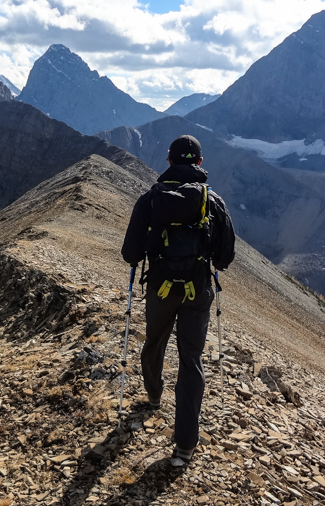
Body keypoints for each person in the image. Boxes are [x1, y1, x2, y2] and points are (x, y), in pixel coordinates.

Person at [121, 134, 235, 466]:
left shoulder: (150, 199)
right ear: (199, 164)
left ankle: (154, 394)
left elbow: (130, 253)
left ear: (169, 161)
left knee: (154, 341)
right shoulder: (213, 201)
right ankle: (184, 445)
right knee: (191, 359)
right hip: (197, 292)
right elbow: (225, 258)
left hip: (160, 289)